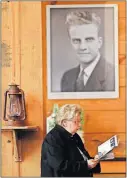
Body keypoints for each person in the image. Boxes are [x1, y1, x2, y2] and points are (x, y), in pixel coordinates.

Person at [41, 104, 101, 177]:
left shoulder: (75, 135)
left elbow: (81, 158)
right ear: (64, 123)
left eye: (80, 121)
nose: (79, 125)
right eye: (76, 122)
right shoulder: (53, 138)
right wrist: (86, 165)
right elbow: (60, 165)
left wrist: (94, 161)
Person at [61, 11, 115, 92]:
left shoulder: (113, 75)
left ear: (99, 42)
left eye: (89, 39)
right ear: (71, 43)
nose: (83, 47)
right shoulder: (67, 77)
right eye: (76, 40)